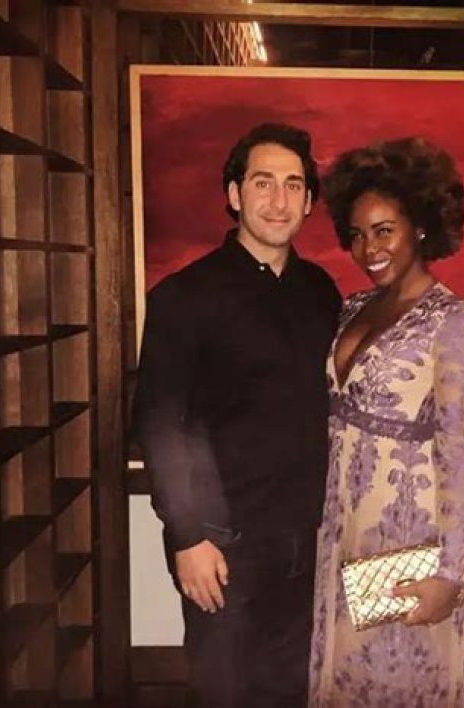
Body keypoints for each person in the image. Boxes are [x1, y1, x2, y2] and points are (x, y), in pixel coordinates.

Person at [133, 123, 341, 708]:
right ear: (234, 193)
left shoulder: (320, 292)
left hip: (306, 540)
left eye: (293, 185)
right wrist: (188, 538)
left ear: (308, 201)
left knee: (292, 690)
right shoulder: (185, 296)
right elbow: (160, 424)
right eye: (262, 182)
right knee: (222, 690)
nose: (278, 200)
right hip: (223, 546)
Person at [309, 137, 464, 707]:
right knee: (341, 678)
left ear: (421, 227)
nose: (369, 248)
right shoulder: (353, 309)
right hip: (338, 529)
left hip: (406, 535)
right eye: (357, 234)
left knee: (398, 684)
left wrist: (452, 574)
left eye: (384, 230)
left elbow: (457, 452)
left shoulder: (454, 322)